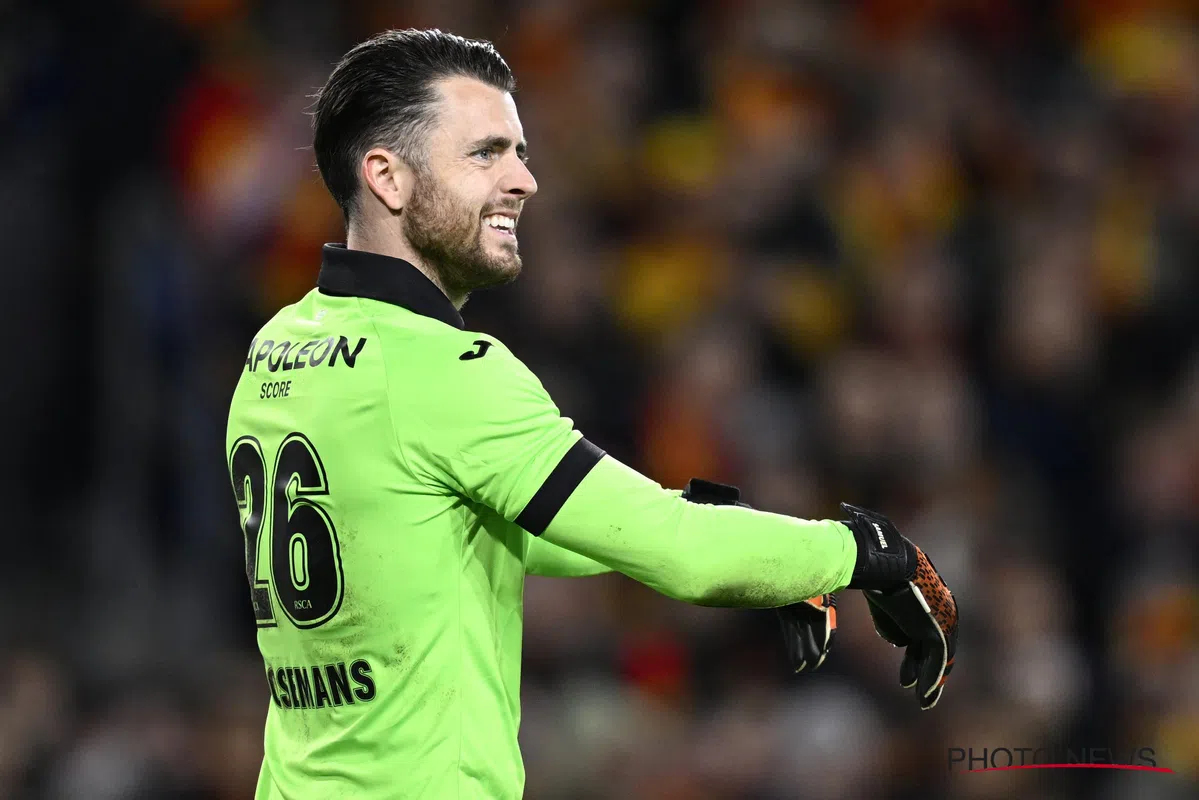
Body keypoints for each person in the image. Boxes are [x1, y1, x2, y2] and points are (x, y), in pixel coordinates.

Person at [225, 28, 958, 799]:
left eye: (519, 152)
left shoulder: (278, 348)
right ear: (387, 177)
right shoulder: (442, 373)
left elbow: (463, 534)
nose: (523, 181)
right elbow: (680, 554)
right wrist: (867, 556)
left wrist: (751, 547)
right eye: (484, 154)